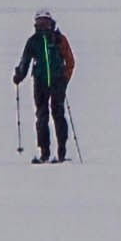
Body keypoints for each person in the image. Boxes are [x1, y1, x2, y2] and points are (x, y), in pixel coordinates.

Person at [14, 10, 75, 162]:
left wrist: (64, 80)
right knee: (42, 117)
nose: (42, 26)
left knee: (58, 114)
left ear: (51, 23)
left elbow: (70, 61)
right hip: (40, 83)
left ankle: (61, 150)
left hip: (57, 82)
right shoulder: (33, 41)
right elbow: (25, 61)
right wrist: (19, 76)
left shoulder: (59, 39)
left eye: (45, 22)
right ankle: (44, 152)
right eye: (40, 23)